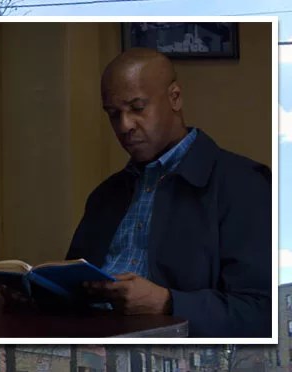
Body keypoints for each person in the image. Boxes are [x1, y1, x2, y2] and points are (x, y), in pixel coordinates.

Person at [67, 48, 271, 338]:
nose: (124, 126)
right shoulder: (105, 195)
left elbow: (261, 312)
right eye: (113, 114)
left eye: (137, 108)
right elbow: (74, 283)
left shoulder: (245, 184)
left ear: (175, 98)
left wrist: (167, 302)